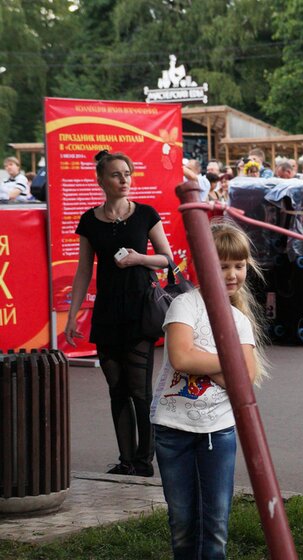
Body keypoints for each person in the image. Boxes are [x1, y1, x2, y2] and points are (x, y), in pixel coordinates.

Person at [151, 221, 268, 560]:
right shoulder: (185, 305)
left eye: (239, 265)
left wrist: (215, 366)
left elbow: (244, 380)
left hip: (219, 432)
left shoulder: (239, 320)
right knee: (184, 523)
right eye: (223, 266)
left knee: (215, 526)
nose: (232, 274)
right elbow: (182, 357)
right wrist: (226, 365)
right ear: (203, 266)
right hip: (173, 430)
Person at [64, 150, 172, 477]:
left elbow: (167, 259)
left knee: (140, 390)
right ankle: (126, 460)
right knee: (117, 389)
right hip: (108, 310)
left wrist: (140, 258)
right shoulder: (89, 220)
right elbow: (83, 271)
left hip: (140, 307)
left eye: (127, 173)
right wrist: (72, 316)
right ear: (101, 180)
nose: (124, 180)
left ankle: (144, 461)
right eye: (116, 174)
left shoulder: (145, 214)